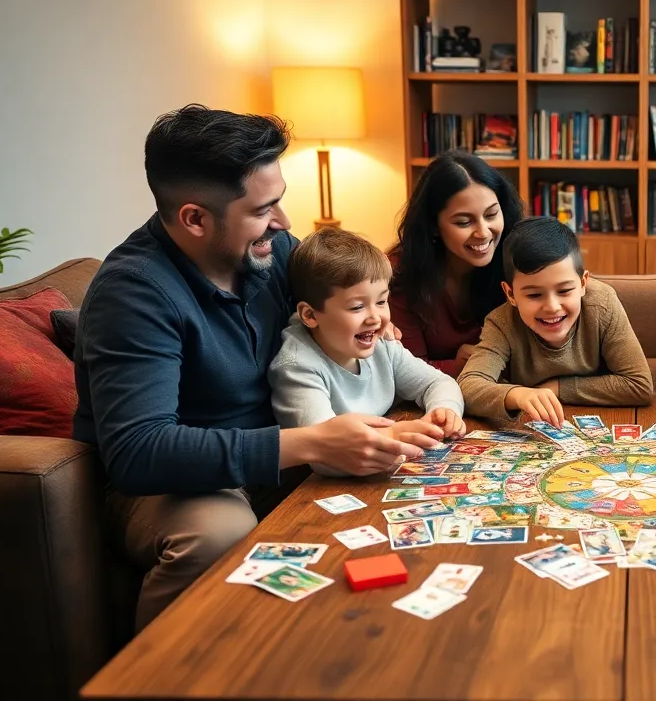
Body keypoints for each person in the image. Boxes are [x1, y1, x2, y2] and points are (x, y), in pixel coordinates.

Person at [73, 105, 438, 632]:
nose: (285, 222)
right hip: (178, 485)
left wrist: (375, 325)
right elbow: (139, 451)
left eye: (280, 201)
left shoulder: (273, 251)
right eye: (264, 209)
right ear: (195, 218)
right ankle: (160, 676)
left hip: (279, 451)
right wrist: (312, 443)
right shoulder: (133, 294)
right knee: (219, 530)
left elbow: (340, 297)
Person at [269, 227, 468, 475]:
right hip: (311, 489)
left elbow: (436, 382)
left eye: (382, 301)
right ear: (310, 315)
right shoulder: (297, 366)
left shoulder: (381, 343)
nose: (375, 318)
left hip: (381, 471)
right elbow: (324, 452)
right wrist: (394, 436)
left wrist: (444, 410)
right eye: (357, 307)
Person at [458, 216, 653, 423]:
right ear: (511, 294)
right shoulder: (501, 323)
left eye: (564, 290)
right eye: (534, 295)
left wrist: (556, 388)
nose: (552, 307)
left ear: (583, 283)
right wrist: (519, 394)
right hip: (530, 426)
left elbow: (639, 385)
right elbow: (468, 386)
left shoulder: (602, 304)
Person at [389, 149, 523, 378]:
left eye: (491, 215)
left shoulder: (515, 259)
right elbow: (407, 373)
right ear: (433, 226)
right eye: (464, 222)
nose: (483, 232)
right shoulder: (400, 276)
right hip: (427, 404)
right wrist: (460, 365)